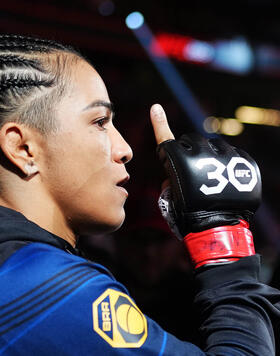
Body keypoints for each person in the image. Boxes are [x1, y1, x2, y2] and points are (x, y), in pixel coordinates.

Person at [0, 34, 279, 355]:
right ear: (23, 148)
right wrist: (224, 245)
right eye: (100, 121)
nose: (125, 150)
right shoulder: (43, 289)